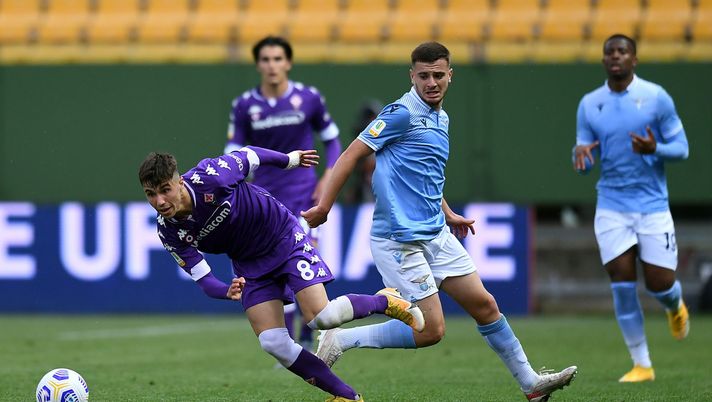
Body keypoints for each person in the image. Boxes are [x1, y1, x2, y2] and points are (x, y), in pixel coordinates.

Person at [302, 41, 577, 401]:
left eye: (438, 75)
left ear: (451, 75)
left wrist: (447, 213)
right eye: (424, 76)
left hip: (435, 232)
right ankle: (341, 338)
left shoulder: (441, 118)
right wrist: (325, 206)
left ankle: (530, 384)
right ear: (412, 76)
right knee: (431, 331)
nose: (431, 82)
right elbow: (353, 153)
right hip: (400, 240)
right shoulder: (400, 113)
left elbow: (424, 173)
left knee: (485, 306)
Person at [138, 146, 425, 402]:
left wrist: (290, 160)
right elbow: (203, 279)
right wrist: (225, 290)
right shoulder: (169, 231)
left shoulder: (210, 177)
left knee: (321, 317)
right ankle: (347, 397)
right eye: (151, 194)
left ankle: (384, 301)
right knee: (273, 342)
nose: (160, 200)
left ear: (179, 181)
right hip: (250, 264)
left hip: (282, 236)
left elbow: (250, 156)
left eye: (165, 189)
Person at [573, 34, 690, 383]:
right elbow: (582, 156)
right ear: (604, 59)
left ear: (634, 59)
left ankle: (674, 304)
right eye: (610, 52)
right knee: (622, 282)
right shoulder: (590, 103)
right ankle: (642, 364)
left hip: (652, 206)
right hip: (611, 204)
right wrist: (581, 161)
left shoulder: (656, 97)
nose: (615, 57)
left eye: (622, 52)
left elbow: (682, 149)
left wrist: (655, 148)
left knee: (659, 283)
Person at [225, 36, 342, 349]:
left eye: (277, 59)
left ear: (288, 63)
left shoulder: (309, 98)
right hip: (263, 203)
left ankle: (313, 330)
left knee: (303, 261)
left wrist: (328, 178)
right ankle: (294, 336)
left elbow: (332, 141)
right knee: (275, 267)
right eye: (265, 59)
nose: (272, 65)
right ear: (258, 65)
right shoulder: (245, 105)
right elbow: (233, 152)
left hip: (303, 195)